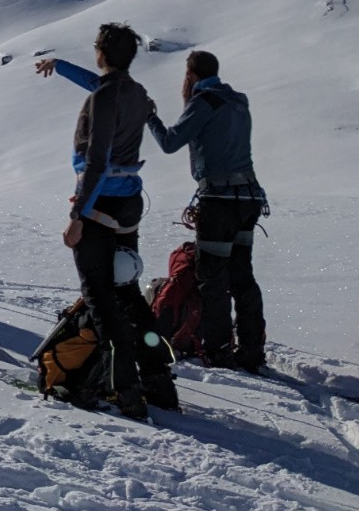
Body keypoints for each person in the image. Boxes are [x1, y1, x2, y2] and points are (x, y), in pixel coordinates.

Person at [35, 23, 172, 418]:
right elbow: (99, 85)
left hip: (100, 202)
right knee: (126, 290)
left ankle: (125, 391)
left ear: (101, 51)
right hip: (128, 203)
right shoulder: (137, 93)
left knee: (99, 296)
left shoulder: (105, 97)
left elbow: (96, 160)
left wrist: (78, 215)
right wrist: (60, 66)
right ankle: (158, 377)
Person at [147, 49, 268, 372]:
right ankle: (252, 350)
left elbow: (170, 142)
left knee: (211, 277)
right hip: (249, 196)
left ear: (191, 75)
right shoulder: (238, 102)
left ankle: (218, 351)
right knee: (242, 275)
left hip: (218, 199)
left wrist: (150, 117)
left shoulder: (204, 102)